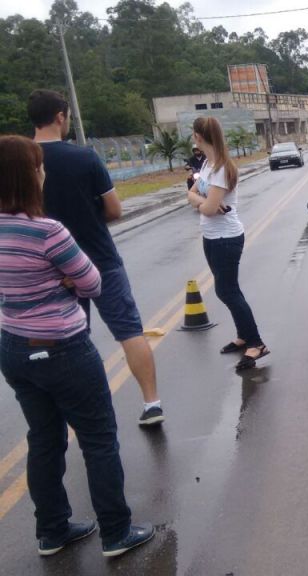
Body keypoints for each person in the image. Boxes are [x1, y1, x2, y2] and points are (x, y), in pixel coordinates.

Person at [0, 135, 154, 557]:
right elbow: (92, 282)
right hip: (64, 348)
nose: (43, 171)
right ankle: (116, 532)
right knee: (99, 439)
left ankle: (52, 531)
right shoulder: (48, 231)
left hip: (13, 347)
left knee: (43, 439)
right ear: (29, 176)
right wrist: (64, 279)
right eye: (38, 166)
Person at [28, 89, 164, 426]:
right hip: (99, 260)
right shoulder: (85, 158)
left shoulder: (20, 162)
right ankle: (152, 404)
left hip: (51, 270)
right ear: (61, 116)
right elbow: (115, 209)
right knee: (129, 331)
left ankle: (78, 415)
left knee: (69, 342)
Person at [186, 116, 269, 370]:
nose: (192, 137)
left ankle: (256, 343)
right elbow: (192, 194)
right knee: (228, 290)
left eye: (193, 133)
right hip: (212, 237)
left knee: (227, 291)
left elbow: (209, 207)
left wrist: (201, 201)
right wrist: (199, 199)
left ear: (199, 137)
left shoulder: (221, 168)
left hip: (226, 239)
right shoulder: (209, 165)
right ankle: (244, 336)